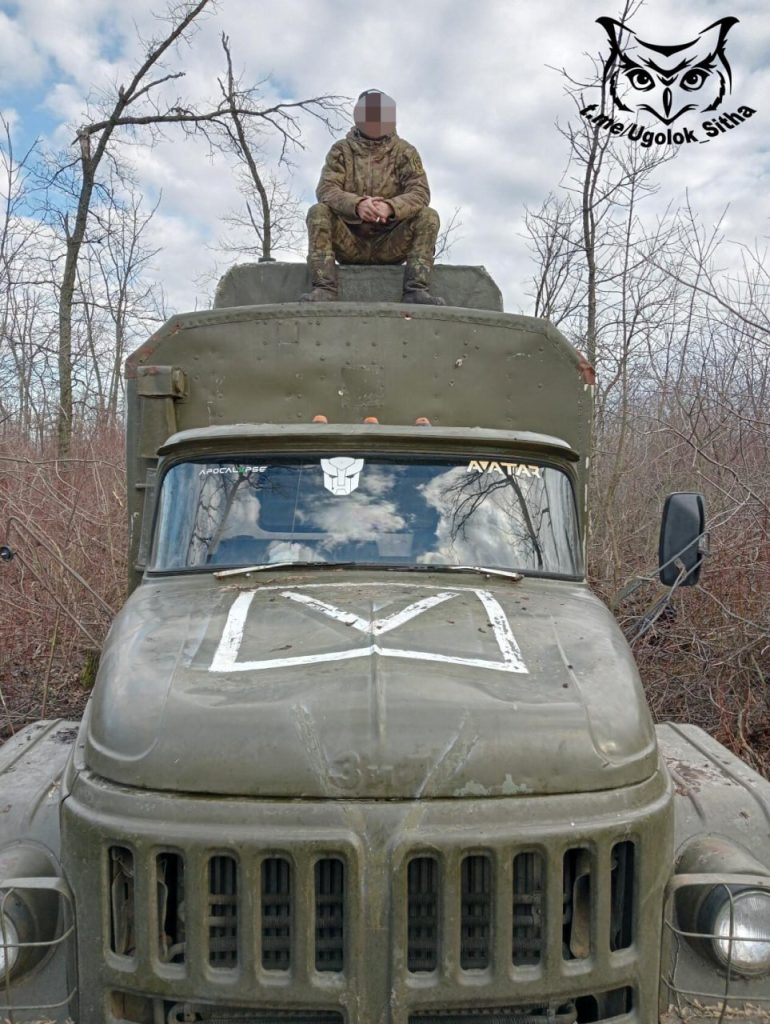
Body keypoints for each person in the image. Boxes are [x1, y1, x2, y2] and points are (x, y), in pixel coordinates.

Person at [302, 89, 445, 305]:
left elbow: (420, 192)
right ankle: (325, 288)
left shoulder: (405, 152)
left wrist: (391, 207)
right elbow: (326, 189)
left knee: (428, 216)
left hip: (390, 243)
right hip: (350, 241)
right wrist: (357, 205)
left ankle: (416, 289)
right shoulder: (341, 150)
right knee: (318, 213)